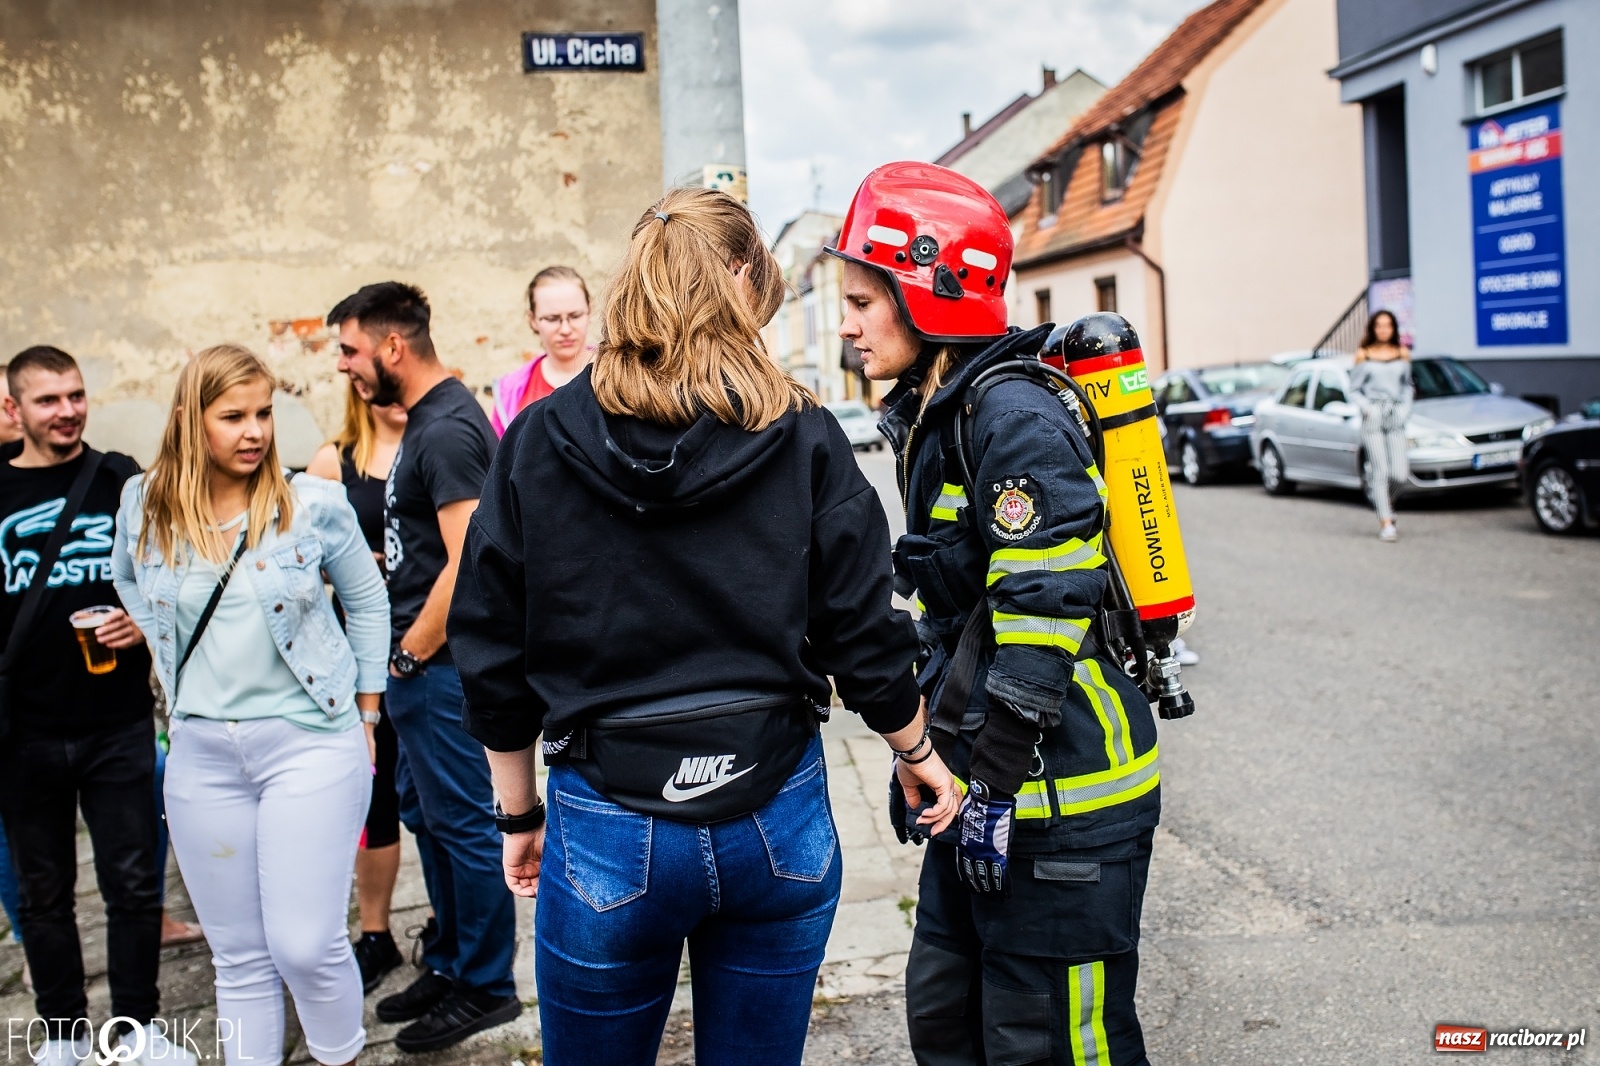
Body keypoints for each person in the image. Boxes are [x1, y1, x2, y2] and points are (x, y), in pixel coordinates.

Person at [449, 187, 959, 1066]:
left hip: (608, 812)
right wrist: (915, 753)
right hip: (776, 807)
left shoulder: (537, 439)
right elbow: (860, 626)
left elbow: (491, 648)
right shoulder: (801, 431)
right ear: (741, 282)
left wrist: (516, 813)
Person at [833, 162, 1163, 1065]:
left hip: (1059, 802)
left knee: (1055, 1048)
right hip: (984, 792)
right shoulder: (940, 415)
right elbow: (954, 615)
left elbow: (1045, 607)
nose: (847, 323)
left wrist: (996, 786)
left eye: (864, 300)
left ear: (933, 292)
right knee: (950, 1024)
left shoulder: (1010, 416)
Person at [111, 345, 389, 1066]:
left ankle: (340, 1056)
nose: (255, 431)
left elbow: (366, 601)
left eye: (263, 413)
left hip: (310, 743)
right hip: (202, 752)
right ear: (188, 420)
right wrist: (171, 665)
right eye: (232, 416)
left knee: (305, 942)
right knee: (238, 959)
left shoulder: (309, 505)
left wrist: (366, 713)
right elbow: (129, 582)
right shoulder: (145, 505)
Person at [329, 281, 519, 1053]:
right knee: (429, 819)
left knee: (467, 828)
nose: (344, 365)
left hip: (442, 670)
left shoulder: (444, 429)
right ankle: (448, 960)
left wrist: (409, 653)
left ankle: (486, 984)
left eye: (350, 349)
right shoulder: (427, 420)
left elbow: (467, 559)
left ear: (392, 347)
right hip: (419, 672)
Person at [0, 346, 186, 1066]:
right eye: (48, 400)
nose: (68, 411)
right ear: (15, 409)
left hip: (115, 722)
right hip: (24, 733)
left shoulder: (118, 478)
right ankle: (64, 1033)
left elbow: (170, 577)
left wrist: (143, 622)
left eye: (75, 395)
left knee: (134, 885)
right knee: (43, 894)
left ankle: (138, 1029)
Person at [307, 383, 408, 992]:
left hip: (428, 651)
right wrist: (351, 565)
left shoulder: (433, 447)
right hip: (359, 656)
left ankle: (447, 931)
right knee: (375, 798)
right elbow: (301, 556)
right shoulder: (332, 462)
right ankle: (375, 933)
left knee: (439, 806)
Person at [489, 266, 595, 435]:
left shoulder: (615, 375)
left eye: (575, 316)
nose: (565, 329)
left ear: (590, 310)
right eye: (552, 319)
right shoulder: (509, 393)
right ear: (532, 319)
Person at [1351, 309, 1413, 542]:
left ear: (1394, 328)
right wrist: (1367, 408)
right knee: (1380, 471)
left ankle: (1385, 502)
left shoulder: (1402, 354)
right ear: (1373, 329)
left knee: (1399, 474)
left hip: (1395, 415)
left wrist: (1405, 410)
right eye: (1379, 325)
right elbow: (1354, 389)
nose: (1384, 330)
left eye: (1388, 325)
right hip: (1374, 416)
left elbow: (1407, 386)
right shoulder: (1363, 355)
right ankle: (1386, 522)